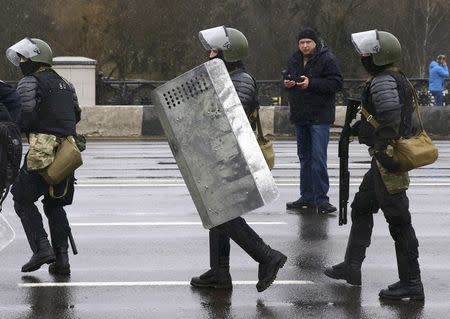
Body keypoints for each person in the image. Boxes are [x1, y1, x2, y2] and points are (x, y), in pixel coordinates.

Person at [324, 30, 425, 301]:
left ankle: (412, 282)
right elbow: (395, 117)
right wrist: (365, 127)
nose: (363, 56)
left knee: (399, 220)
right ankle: (352, 266)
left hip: (386, 161)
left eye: (368, 52)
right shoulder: (392, 77)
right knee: (362, 207)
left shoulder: (383, 81)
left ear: (380, 56)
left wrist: (381, 147)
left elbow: (391, 117)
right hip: (382, 160)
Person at [191, 26, 287, 292]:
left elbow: (233, 119)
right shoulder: (228, 76)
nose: (210, 54)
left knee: (223, 213)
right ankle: (219, 273)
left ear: (228, 53)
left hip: (234, 156)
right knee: (218, 211)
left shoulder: (240, 80)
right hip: (224, 154)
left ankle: (267, 256)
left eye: (215, 50)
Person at [6, 38, 81, 275]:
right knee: (54, 203)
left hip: (43, 150)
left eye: (24, 57)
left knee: (21, 196)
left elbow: (23, 116)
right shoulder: (66, 84)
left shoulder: (29, 82)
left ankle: (41, 248)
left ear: (36, 58)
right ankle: (62, 260)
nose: (21, 62)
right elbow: (76, 115)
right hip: (68, 152)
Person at [284, 27, 343, 214]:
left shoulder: (327, 58)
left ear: (315, 43)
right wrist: (288, 83)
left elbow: (336, 83)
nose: (304, 46)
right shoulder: (294, 59)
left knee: (318, 158)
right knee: (305, 158)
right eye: (301, 43)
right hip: (300, 115)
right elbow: (289, 76)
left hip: (319, 116)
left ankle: (322, 199)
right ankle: (307, 196)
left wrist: (312, 83)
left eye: (308, 42)